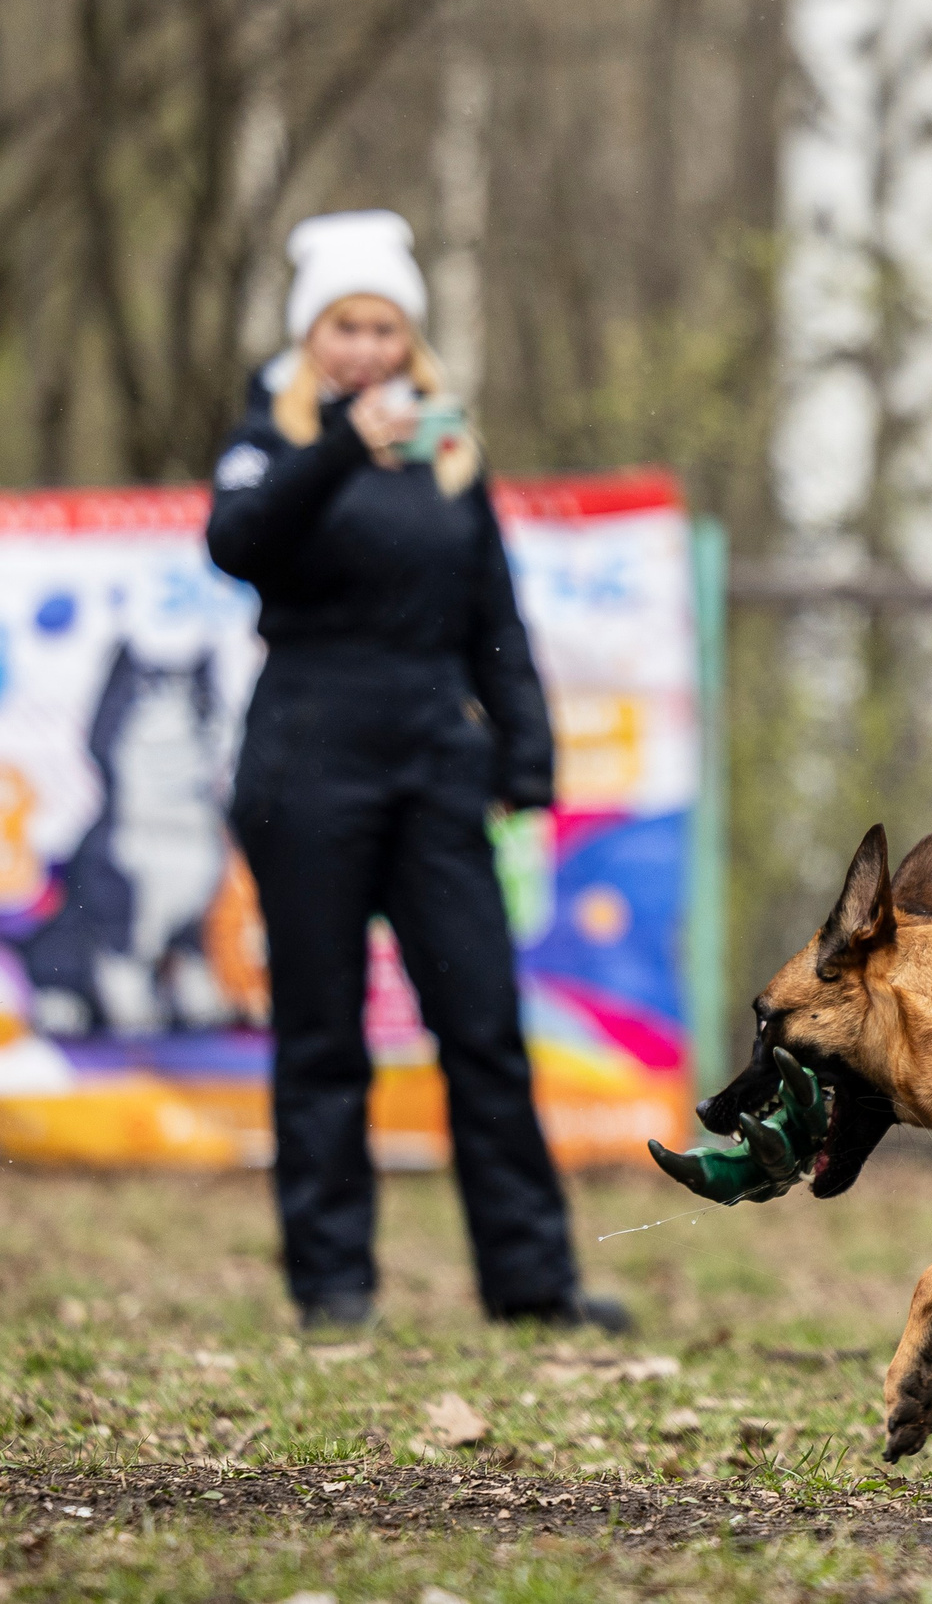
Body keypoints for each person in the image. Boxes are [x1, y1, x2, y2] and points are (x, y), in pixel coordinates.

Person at [207, 210, 626, 1334]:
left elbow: (495, 617)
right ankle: (333, 1287)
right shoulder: (272, 439)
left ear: (411, 339)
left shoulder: (449, 453)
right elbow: (237, 542)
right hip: (306, 766)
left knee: (482, 1027)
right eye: (344, 328)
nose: (365, 350)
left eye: (384, 328)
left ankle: (533, 1285)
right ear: (311, 337)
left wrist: (526, 756)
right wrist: (344, 444)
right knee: (323, 1034)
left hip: (437, 767)